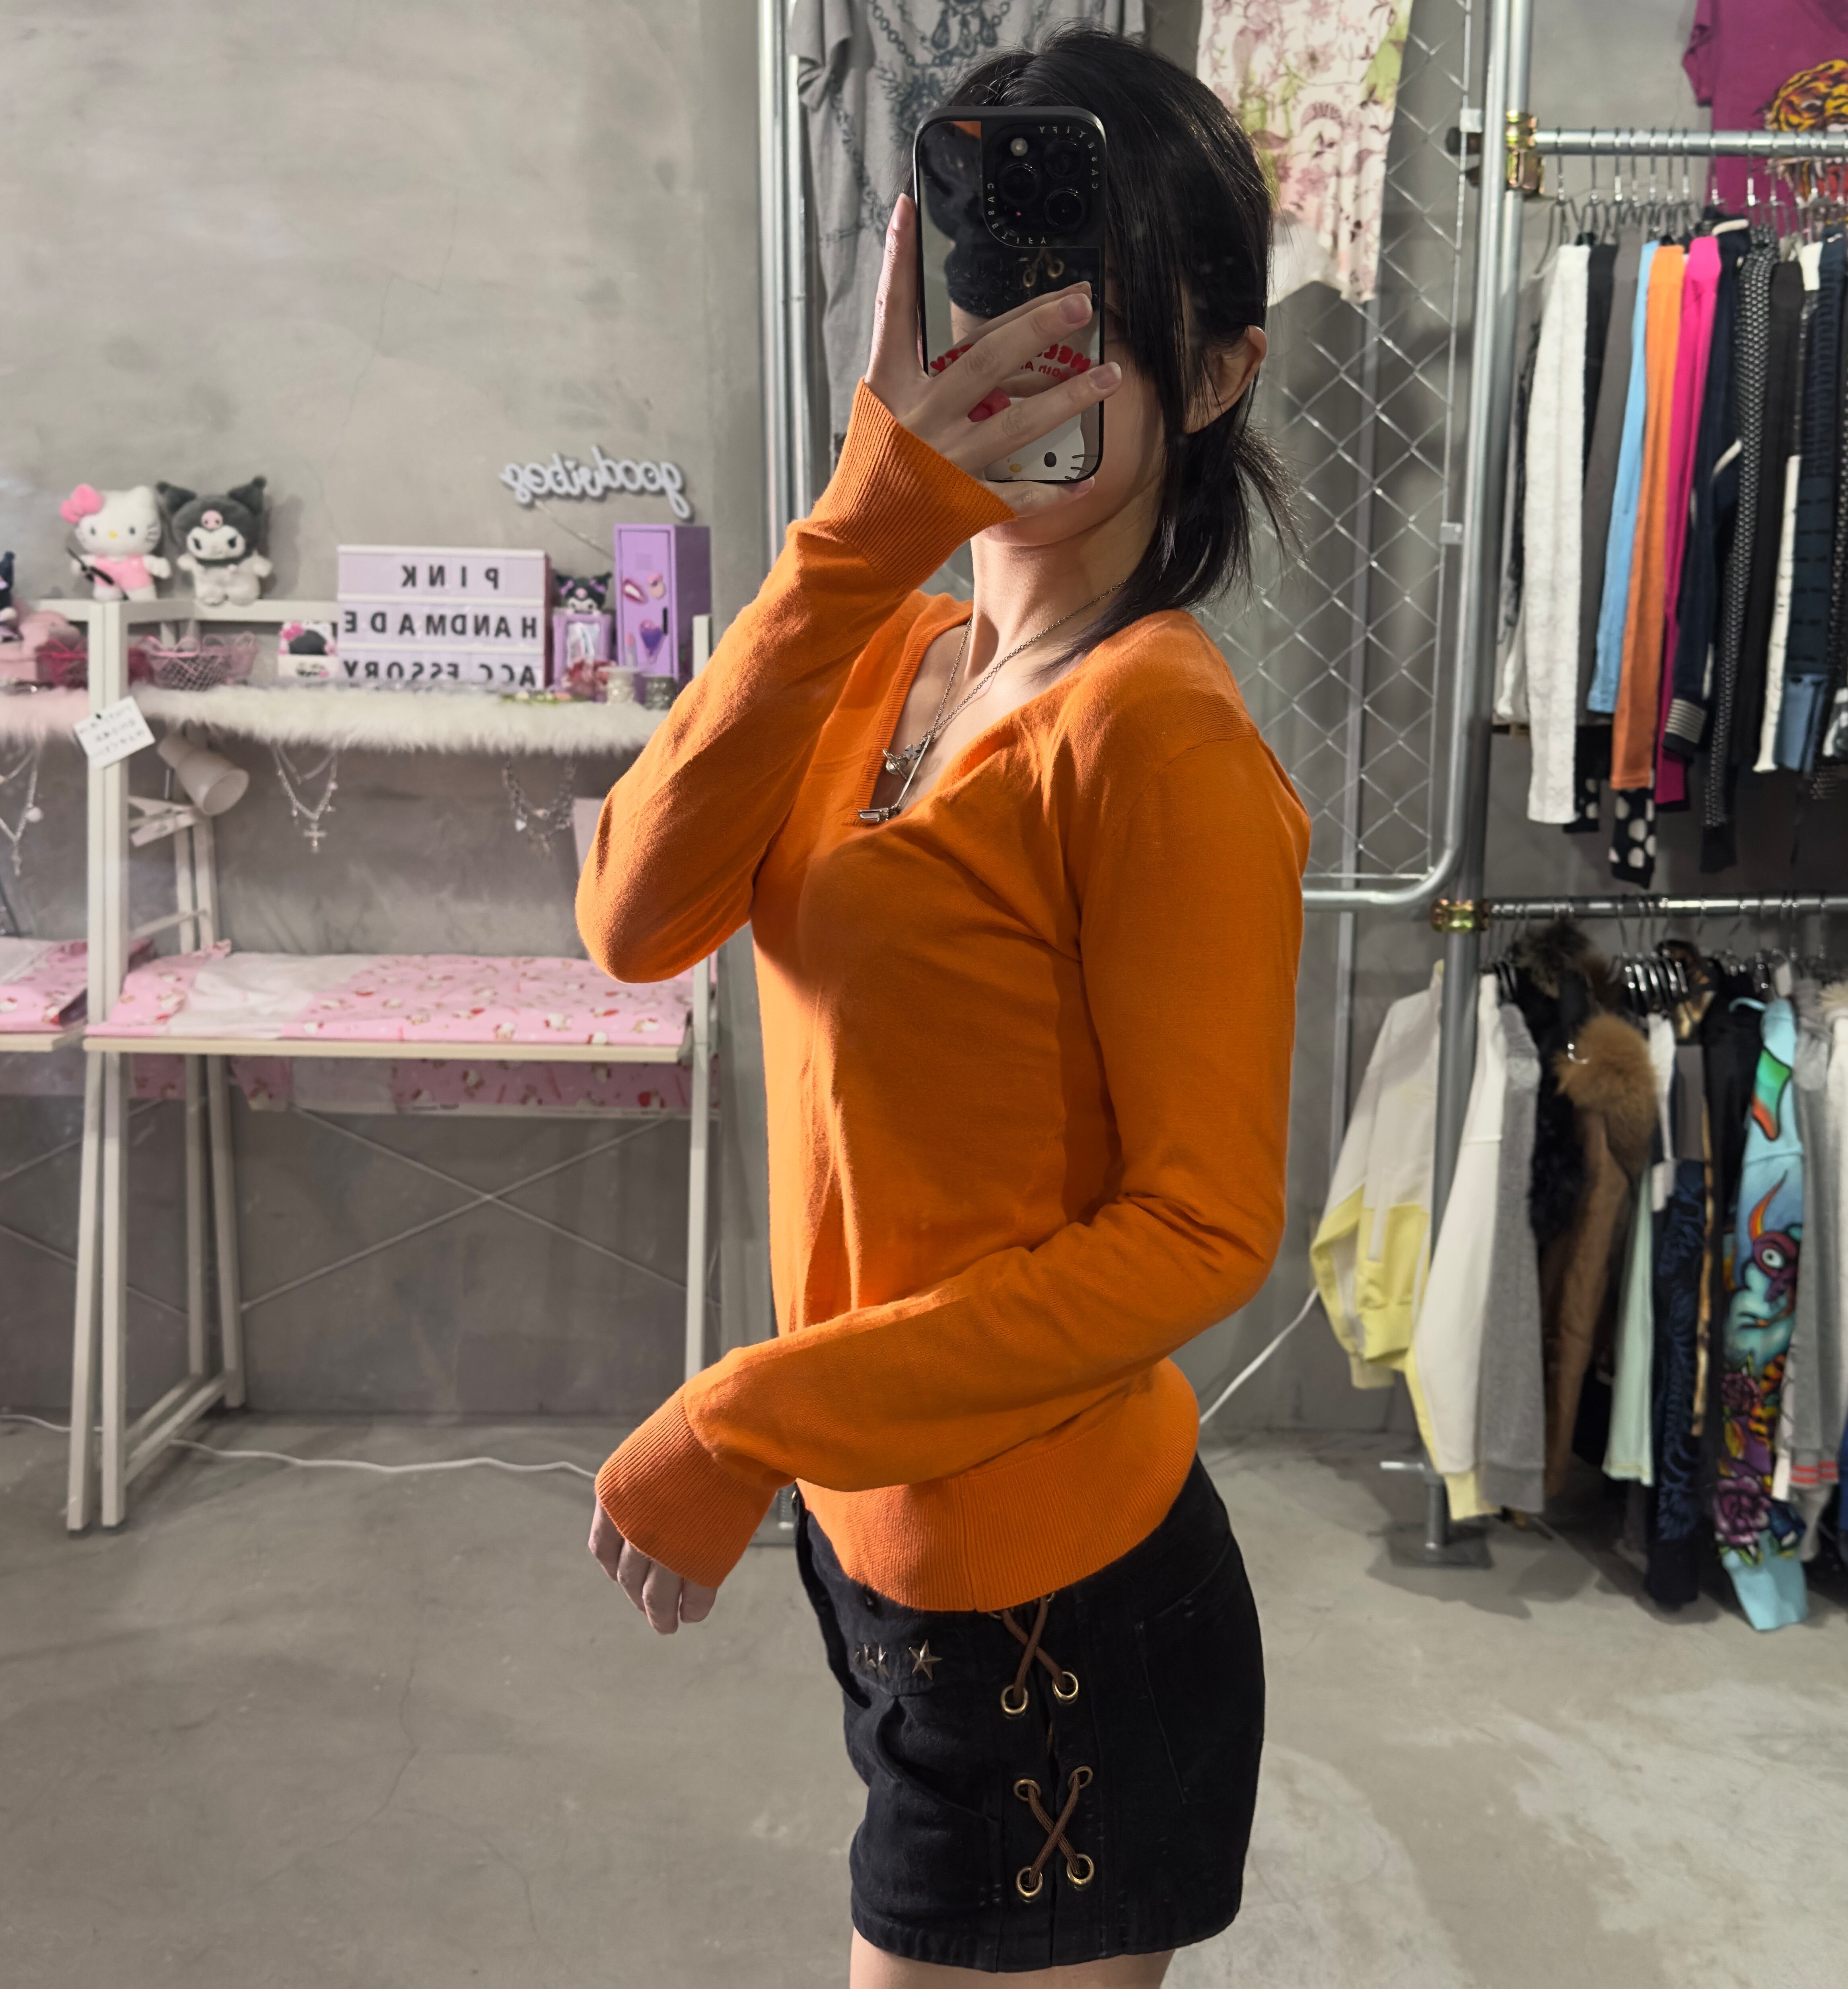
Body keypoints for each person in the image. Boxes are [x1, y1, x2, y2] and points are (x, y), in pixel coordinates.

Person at [578, 28, 1307, 1986]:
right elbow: (634, 916)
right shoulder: (878, 650)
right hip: (884, 1562)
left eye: (1097, 334)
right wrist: (855, 533)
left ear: (1218, 371)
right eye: (993, 312)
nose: (1025, 371)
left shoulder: (1153, 736)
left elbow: (1200, 1228)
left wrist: (749, 1409)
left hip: (1062, 1616)